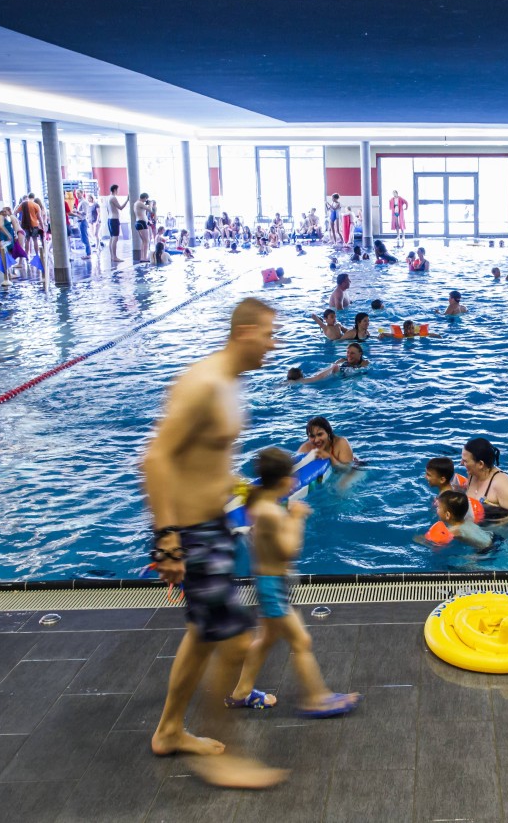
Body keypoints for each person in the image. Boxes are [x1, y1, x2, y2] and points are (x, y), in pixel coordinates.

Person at [142, 297, 287, 788]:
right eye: (269, 334)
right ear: (245, 332)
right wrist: (166, 539)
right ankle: (220, 759)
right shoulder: (202, 384)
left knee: (205, 634)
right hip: (193, 534)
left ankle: (170, 731)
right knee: (236, 639)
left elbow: (206, 458)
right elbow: (156, 458)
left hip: (214, 527)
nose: (274, 343)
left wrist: (239, 489)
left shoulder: (228, 385)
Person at [224, 447, 361, 718]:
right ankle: (316, 698)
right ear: (286, 481)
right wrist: (296, 519)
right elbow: (288, 550)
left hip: (268, 583)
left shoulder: (258, 501)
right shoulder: (272, 513)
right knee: (301, 641)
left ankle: (241, 692)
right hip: (273, 587)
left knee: (265, 640)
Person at [461, 437, 508, 522]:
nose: (461, 463)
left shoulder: (500, 482)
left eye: (465, 461)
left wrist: (496, 526)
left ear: (480, 464)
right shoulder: (472, 474)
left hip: (499, 531)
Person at [420, 491, 498, 552]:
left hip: (486, 550)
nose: (437, 509)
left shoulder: (454, 530)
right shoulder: (467, 521)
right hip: (493, 538)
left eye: (439, 508)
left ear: (447, 515)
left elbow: (437, 545)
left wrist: (419, 540)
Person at [291, 342, 370, 384]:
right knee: (330, 370)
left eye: (352, 353)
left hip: (346, 375)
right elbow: (331, 366)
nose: (349, 355)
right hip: (339, 373)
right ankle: (303, 380)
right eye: (348, 352)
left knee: (333, 370)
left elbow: (362, 371)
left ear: (360, 354)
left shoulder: (364, 363)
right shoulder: (342, 360)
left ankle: (301, 381)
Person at [134, 193, 151, 263]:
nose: (146, 200)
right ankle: (145, 257)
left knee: (144, 241)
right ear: (144, 198)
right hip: (141, 223)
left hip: (138, 222)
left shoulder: (136, 203)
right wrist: (151, 203)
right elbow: (150, 210)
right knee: (147, 241)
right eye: (146, 199)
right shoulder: (139, 203)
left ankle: (142, 257)